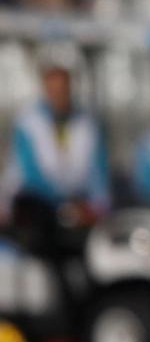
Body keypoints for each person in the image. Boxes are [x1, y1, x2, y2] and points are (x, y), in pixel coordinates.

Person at [0, 44, 110, 235]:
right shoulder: (28, 123)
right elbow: (27, 173)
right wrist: (63, 207)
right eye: (54, 89)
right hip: (38, 206)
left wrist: (97, 207)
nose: (59, 94)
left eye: (63, 88)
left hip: (77, 206)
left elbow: (98, 174)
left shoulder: (88, 124)